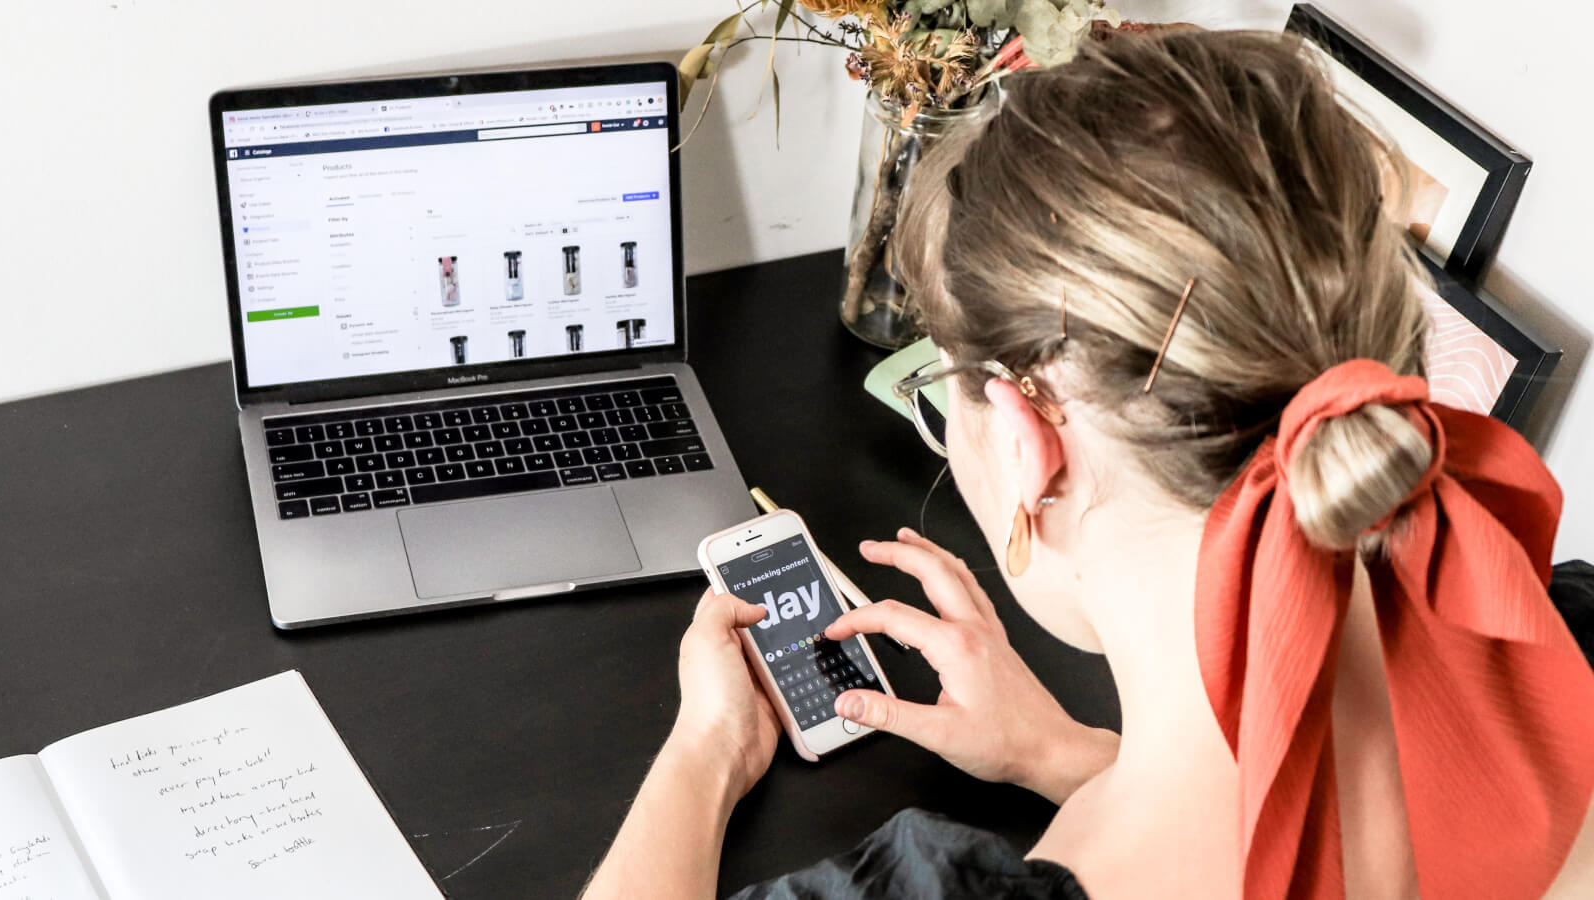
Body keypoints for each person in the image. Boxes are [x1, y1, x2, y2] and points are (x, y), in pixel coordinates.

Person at [581, 29, 1594, 899]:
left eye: (944, 387)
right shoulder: (1551, 644)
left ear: (1028, 446)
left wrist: (708, 752)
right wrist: (1062, 757)